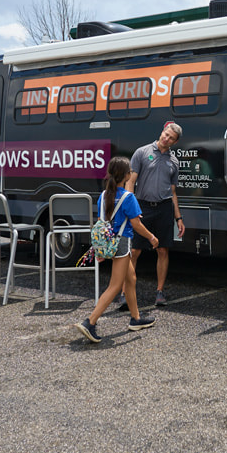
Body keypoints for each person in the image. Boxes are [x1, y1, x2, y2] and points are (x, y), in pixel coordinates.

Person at [75, 157, 158, 343]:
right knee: (114, 286)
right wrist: (152, 237)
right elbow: (136, 225)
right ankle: (90, 322)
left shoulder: (103, 195)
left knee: (131, 278)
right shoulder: (129, 197)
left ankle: (136, 319)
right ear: (127, 175)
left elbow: (100, 222)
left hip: (107, 242)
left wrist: (100, 249)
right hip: (121, 244)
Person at [122, 122, 185, 308]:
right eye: (166, 134)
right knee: (134, 251)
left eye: (171, 138)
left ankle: (159, 292)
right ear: (162, 132)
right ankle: (125, 293)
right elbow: (130, 183)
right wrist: (130, 208)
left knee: (163, 250)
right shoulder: (141, 152)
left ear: (175, 142)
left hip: (164, 208)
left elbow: (173, 192)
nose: (166, 138)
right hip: (142, 207)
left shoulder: (174, 162)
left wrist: (178, 218)